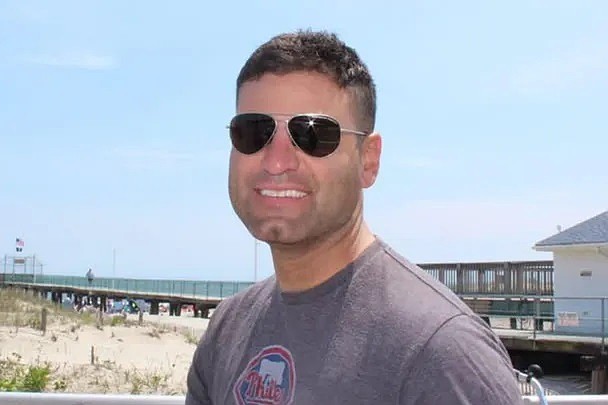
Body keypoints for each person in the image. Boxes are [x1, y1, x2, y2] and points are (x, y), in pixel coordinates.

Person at [185, 30, 522, 404]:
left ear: (368, 160)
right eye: (253, 132)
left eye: (312, 134)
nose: (277, 161)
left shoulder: (441, 352)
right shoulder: (227, 329)